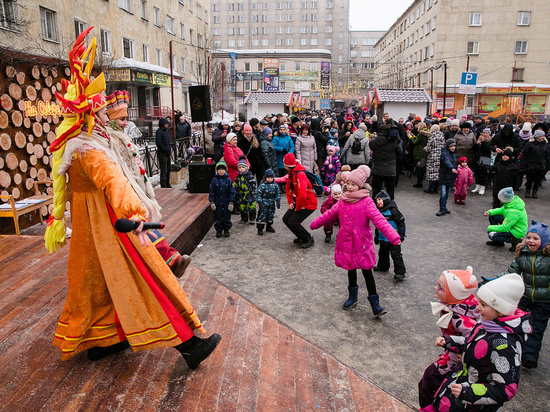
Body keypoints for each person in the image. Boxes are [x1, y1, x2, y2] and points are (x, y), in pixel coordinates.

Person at [47, 28, 220, 368]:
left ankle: (103, 339)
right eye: (98, 113)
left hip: (92, 232)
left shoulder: (74, 147)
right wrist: (135, 214)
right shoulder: (87, 150)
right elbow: (113, 181)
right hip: (115, 228)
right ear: (88, 116)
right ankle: (188, 345)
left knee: (97, 285)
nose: (102, 119)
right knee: (148, 281)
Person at [103, 90, 191, 278]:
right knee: (141, 226)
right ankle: (168, 262)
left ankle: (168, 261)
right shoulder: (109, 141)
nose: (126, 123)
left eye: (126, 118)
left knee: (143, 227)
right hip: (121, 194)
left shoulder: (120, 138)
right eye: (121, 119)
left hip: (131, 192)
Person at [430, 274, 530, 412]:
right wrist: (449, 341)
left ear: (500, 311)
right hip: (459, 391)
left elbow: (505, 389)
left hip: (475, 406)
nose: (477, 308)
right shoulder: (487, 323)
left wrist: (469, 392)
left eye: (483, 305)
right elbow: (474, 343)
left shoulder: (505, 345)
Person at [310, 165, 401, 316]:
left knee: (367, 272)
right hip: (346, 241)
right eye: (349, 184)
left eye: (354, 184)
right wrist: (315, 224)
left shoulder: (367, 202)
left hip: (362, 243)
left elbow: (380, 221)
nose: (350, 187)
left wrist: (394, 237)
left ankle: (375, 304)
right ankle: (353, 296)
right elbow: (329, 214)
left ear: (360, 186)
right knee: (350, 269)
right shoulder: (343, 201)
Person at [486, 220, 550, 370]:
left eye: (535, 238)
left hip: (545, 301)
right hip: (526, 297)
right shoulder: (523, 254)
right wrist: (494, 281)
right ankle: (514, 349)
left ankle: (530, 356)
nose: (530, 241)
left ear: (544, 241)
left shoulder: (548, 258)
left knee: (537, 327)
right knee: (517, 322)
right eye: (529, 237)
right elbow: (511, 272)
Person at [418, 267, 479, 410]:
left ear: (453, 294)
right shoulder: (457, 306)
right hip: (449, 352)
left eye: (440, 287)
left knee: (429, 378)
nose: (435, 287)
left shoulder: (461, 318)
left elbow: (474, 340)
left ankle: (429, 408)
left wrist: (463, 353)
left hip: (455, 361)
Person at [281, 153, 318, 249]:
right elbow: (288, 188)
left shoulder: (300, 174)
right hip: (299, 202)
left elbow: (302, 194)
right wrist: (291, 203)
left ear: (286, 165)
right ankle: (300, 237)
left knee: (294, 221)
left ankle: (308, 238)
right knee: (286, 219)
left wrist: (298, 208)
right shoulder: (291, 174)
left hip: (309, 203)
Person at [373, 190, 406, 281]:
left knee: (396, 255)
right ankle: (383, 266)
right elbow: (377, 226)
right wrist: (377, 236)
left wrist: (401, 235)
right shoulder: (378, 211)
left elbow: (401, 223)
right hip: (383, 238)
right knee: (382, 253)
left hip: (393, 239)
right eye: (377, 200)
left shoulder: (393, 211)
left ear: (385, 200)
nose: (378, 202)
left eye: (379, 199)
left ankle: (400, 272)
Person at [369, 118, 403, 200]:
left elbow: (371, 146)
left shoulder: (374, 142)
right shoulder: (393, 142)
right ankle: (390, 207)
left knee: (376, 190)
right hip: (390, 169)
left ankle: (375, 208)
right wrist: (397, 139)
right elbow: (400, 152)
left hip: (377, 168)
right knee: (390, 191)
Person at [209, 161, 235, 238]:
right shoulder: (214, 180)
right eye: (219, 170)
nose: (221, 171)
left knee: (226, 217)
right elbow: (212, 192)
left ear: (225, 170)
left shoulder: (229, 180)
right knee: (218, 217)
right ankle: (219, 230)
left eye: (222, 170)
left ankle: (226, 229)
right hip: (217, 202)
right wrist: (212, 202)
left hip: (226, 201)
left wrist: (231, 202)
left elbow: (232, 192)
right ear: (217, 171)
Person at [521, 129, 549, 198]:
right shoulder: (530, 144)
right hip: (531, 165)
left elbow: (547, 155)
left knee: (538, 180)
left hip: (540, 165)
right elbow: (524, 154)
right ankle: (528, 191)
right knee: (530, 179)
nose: (543, 137)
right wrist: (524, 163)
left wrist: (548, 163)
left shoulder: (545, 144)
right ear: (537, 136)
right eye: (542, 136)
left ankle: (535, 192)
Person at [436, 139, 458, 216]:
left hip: (450, 176)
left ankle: (444, 207)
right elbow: (446, 161)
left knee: (447, 193)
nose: (453, 148)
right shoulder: (444, 153)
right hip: (444, 175)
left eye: (454, 146)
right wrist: (452, 168)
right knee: (443, 193)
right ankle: (442, 208)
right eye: (451, 146)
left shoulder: (453, 154)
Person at [256, 169, 280, 235]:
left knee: (271, 215)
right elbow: (258, 194)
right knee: (262, 216)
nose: (270, 179)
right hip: (264, 204)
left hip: (271, 204)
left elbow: (277, 193)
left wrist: (278, 201)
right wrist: (260, 202)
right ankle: (260, 228)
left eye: (271, 178)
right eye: (268, 178)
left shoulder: (275, 186)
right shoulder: (262, 186)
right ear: (265, 178)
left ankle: (269, 226)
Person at [234, 155, 257, 224]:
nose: (241, 169)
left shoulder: (250, 176)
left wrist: (254, 194)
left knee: (251, 206)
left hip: (249, 194)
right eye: (239, 167)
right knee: (242, 207)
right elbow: (235, 186)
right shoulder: (238, 177)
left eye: (243, 167)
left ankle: (252, 218)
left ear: (246, 168)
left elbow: (253, 185)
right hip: (241, 194)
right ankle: (244, 218)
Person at [424, 124, 445, 194]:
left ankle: (430, 188)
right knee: (437, 173)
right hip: (440, 156)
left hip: (432, 156)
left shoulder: (432, 136)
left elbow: (428, 148)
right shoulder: (442, 136)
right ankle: (436, 188)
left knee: (431, 173)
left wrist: (424, 149)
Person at [410, 122, 430, 189]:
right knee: (422, 168)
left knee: (419, 168)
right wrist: (414, 136)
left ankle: (419, 182)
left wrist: (410, 137)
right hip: (424, 153)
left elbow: (415, 142)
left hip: (419, 152)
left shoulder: (421, 134)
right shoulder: (426, 133)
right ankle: (420, 182)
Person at [156, 117, 172, 188]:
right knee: (164, 170)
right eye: (166, 124)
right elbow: (159, 143)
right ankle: (163, 185)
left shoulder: (165, 131)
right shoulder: (159, 131)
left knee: (168, 169)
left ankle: (167, 183)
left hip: (167, 153)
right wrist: (165, 149)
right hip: (162, 153)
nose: (167, 125)